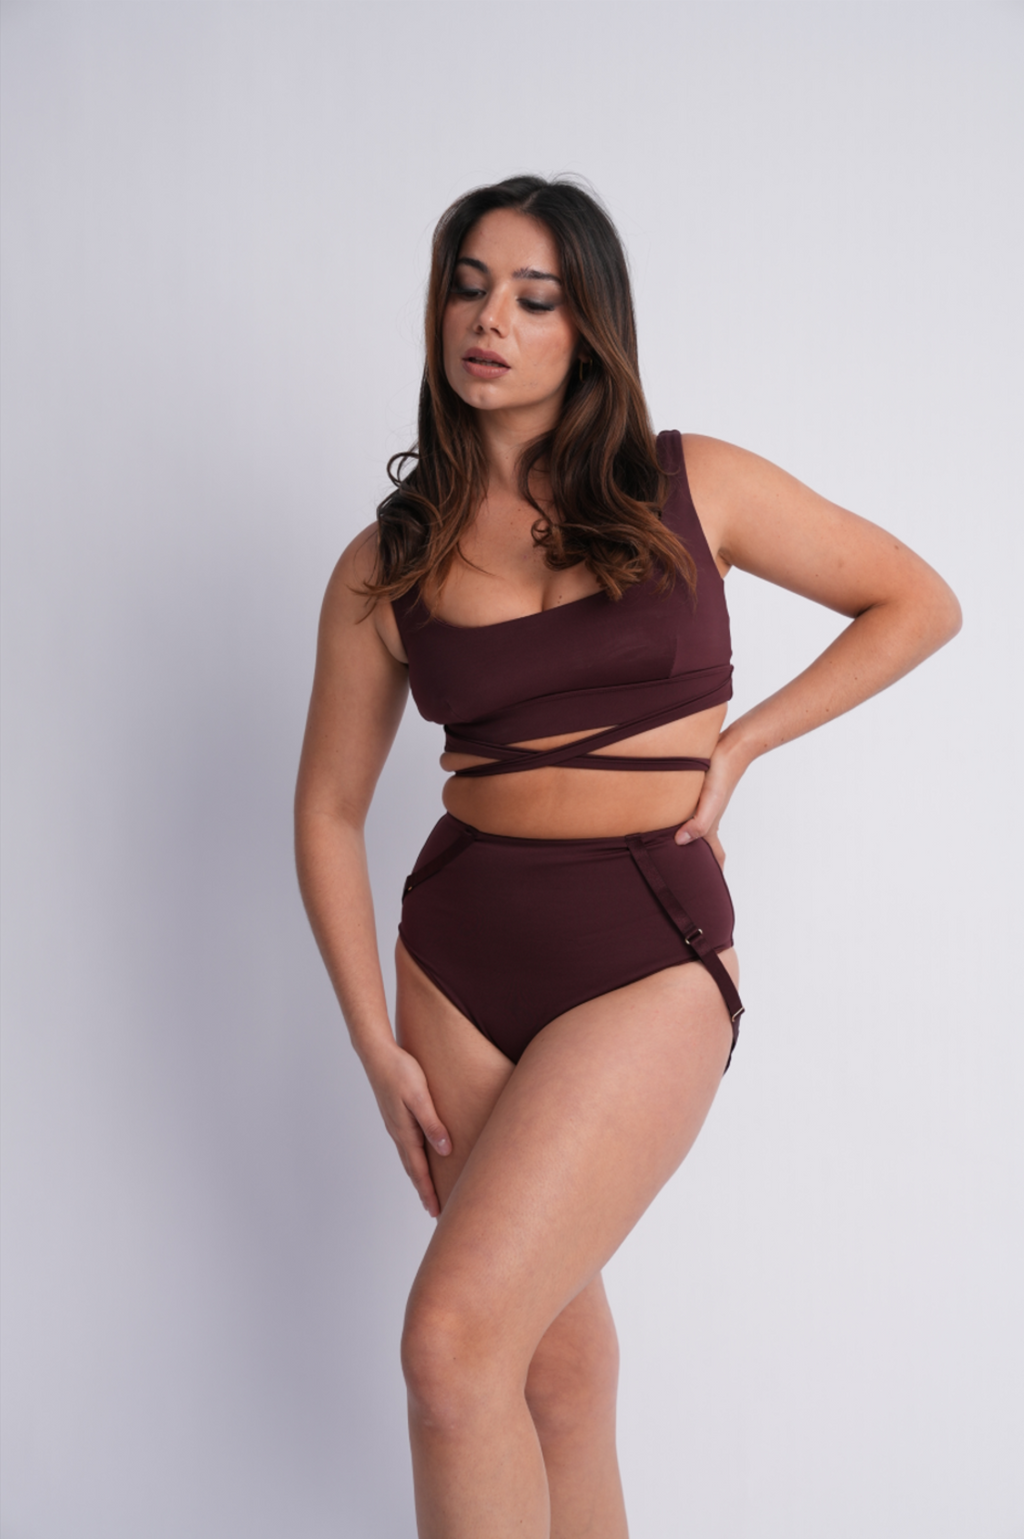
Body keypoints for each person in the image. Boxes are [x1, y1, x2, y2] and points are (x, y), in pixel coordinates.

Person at [294, 175, 960, 1538]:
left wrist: (745, 744)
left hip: (647, 946)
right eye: (468, 287)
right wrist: (372, 1039)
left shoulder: (692, 483)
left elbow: (916, 600)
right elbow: (327, 808)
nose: (490, 319)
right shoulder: (389, 559)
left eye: (533, 298)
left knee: (451, 1345)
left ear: (587, 327)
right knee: (553, 1369)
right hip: (459, 965)